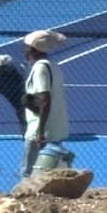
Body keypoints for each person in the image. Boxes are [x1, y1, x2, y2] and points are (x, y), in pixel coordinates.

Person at [18, 28, 71, 177]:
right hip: (55, 128)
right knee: (50, 171)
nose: (24, 51)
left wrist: (40, 133)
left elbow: (45, 99)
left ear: (34, 49)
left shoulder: (40, 68)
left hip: (40, 130)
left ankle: (25, 195)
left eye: (26, 48)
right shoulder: (53, 66)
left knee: (28, 171)